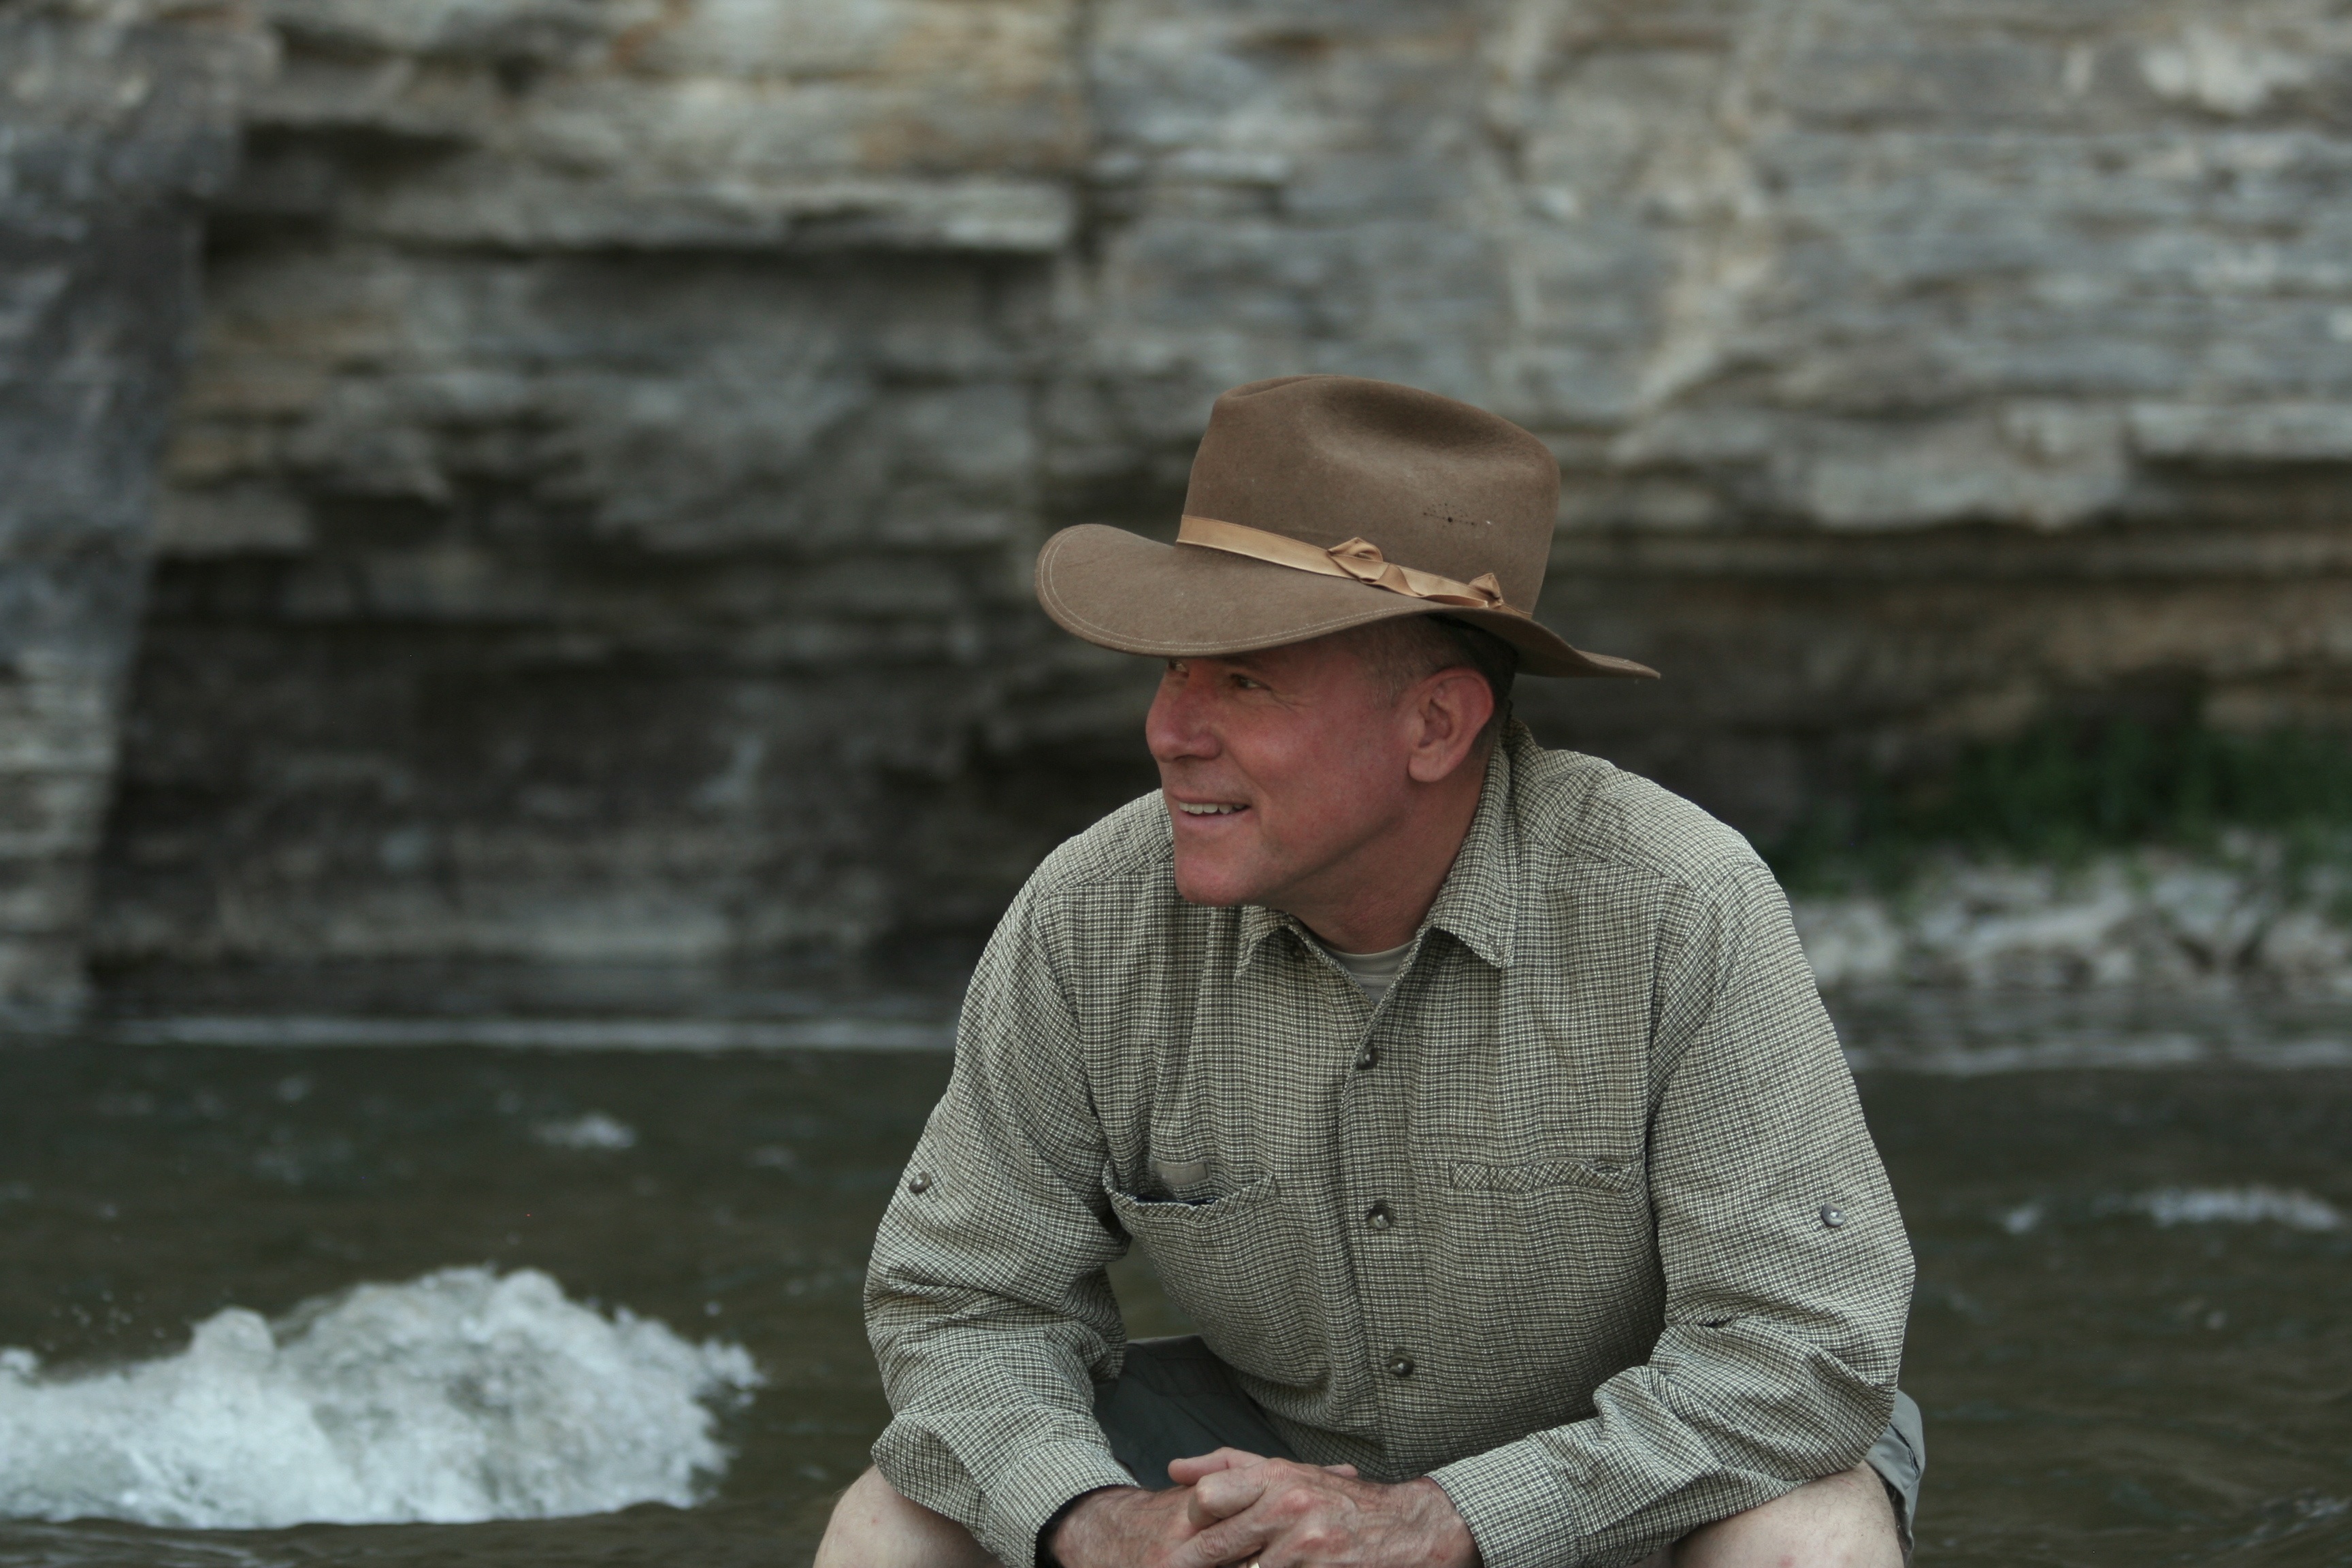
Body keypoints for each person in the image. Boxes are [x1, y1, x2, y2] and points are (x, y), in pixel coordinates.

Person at [814, 376, 1922, 1568]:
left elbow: (1804, 1343)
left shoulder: (1681, 904)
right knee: (895, 1521)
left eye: (1242, 678)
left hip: (1617, 1493)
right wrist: (1096, 1521)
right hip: (1245, 1474)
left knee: (1815, 1531)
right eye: (1172, 671)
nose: (1171, 731)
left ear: (1436, 727)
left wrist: (1445, 1522)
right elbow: (965, 1300)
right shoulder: (1088, 917)